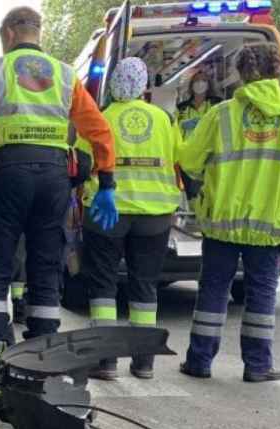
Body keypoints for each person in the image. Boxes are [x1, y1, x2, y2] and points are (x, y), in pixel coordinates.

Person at [0, 6, 115, 404]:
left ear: (8, 33)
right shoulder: (64, 74)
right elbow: (99, 128)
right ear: (37, 33)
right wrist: (106, 181)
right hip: (55, 179)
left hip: (8, 175)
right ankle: (41, 375)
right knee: (44, 271)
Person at [179, 44, 280, 382]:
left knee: (213, 290)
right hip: (269, 222)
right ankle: (257, 365)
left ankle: (199, 362)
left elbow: (189, 160)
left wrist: (211, 177)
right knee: (261, 294)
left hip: (223, 221)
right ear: (278, 70)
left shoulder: (221, 114)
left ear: (239, 73)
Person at [79, 58, 183, 381]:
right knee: (144, 286)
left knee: (103, 285)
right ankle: (144, 363)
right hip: (154, 216)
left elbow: (83, 162)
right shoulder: (164, 119)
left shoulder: (101, 117)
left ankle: (105, 361)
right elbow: (180, 158)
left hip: (107, 212)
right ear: (144, 85)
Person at [177, 69, 219, 140]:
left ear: (208, 85)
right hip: (188, 148)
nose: (200, 83)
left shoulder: (216, 103)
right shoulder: (181, 107)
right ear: (192, 85)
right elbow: (174, 129)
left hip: (209, 149)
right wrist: (181, 125)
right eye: (196, 80)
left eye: (204, 80)